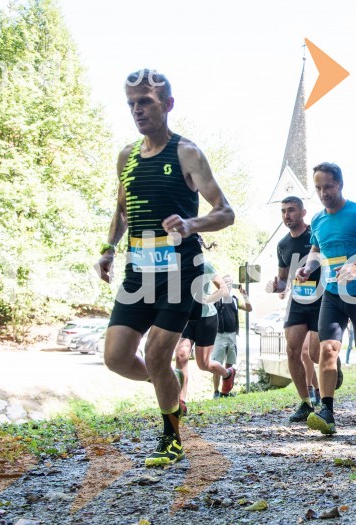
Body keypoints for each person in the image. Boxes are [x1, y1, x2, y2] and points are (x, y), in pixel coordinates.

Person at [96, 69, 233, 467]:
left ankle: (171, 437)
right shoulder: (126, 156)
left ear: (168, 105)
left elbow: (225, 212)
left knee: (157, 355)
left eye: (146, 103)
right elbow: (122, 210)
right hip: (138, 272)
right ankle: (169, 389)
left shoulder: (186, 152)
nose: (138, 111)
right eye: (132, 104)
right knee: (117, 357)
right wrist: (108, 249)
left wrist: (192, 223)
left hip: (180, 272)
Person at [296, 162, 356, 435]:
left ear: (339, 184)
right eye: (318, 188)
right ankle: (327, 411)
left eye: (328, 186)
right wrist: (308, 267)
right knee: (327, 350)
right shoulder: (317, 220)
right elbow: (316, 250)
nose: (323, 192)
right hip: (333, 293)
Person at [264, 196, 328, 423]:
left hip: (321, 299)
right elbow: (283, 280)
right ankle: (306, 402)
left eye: (291, 210)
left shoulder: (316, 234)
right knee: (292, 351)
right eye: (283, 211)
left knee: (314, 353)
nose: (286, 215)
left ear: (303, 212)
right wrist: (275, 286)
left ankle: (332, 367)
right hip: (298, 301)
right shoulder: (282, 244)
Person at [174, 251, 230, 410]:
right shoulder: (175, 264)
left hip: (206, 318)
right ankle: (181, 401)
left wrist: (208, 299)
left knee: (203, 364)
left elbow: (223, 289)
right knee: (181, 355)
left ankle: (227, 374)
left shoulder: (205, 265)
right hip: (185, 318)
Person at [211, 276, 252, 398]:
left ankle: (225, 392)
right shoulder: (217, 299)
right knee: (217, 364)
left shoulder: (235, 300)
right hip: (219, 336)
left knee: (229, 365)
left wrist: (245, 295)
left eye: (230, 282)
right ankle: (216, 392)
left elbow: (249, 309)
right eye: (226, 282)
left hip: (232, 336)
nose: (228, 285)